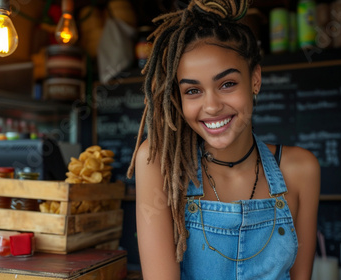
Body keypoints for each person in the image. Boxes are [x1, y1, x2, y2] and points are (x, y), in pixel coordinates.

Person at [127, 0, 320, 279]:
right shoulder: (159, 165)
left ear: (255, 79)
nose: (212, 106)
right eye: (193, 90)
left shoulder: (301, 170)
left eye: (227, 84)